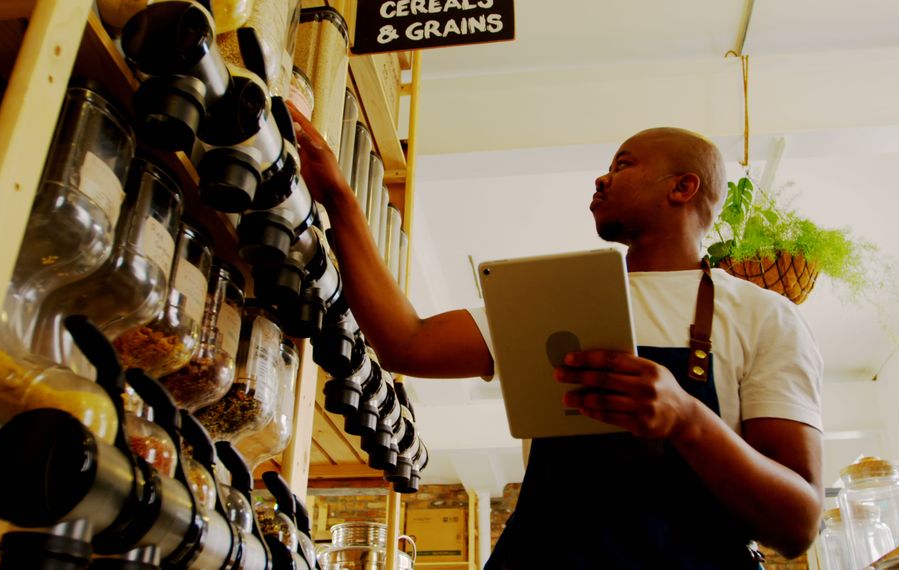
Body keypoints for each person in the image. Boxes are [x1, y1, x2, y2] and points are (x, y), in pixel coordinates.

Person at [289, 105, 823, 569]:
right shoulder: (555, 297)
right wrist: (339, 198)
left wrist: (688, 419)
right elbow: (406, 342)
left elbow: (797, 523)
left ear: (683, 187)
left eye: (624, 164)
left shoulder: (764, 317)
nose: (602, 179)